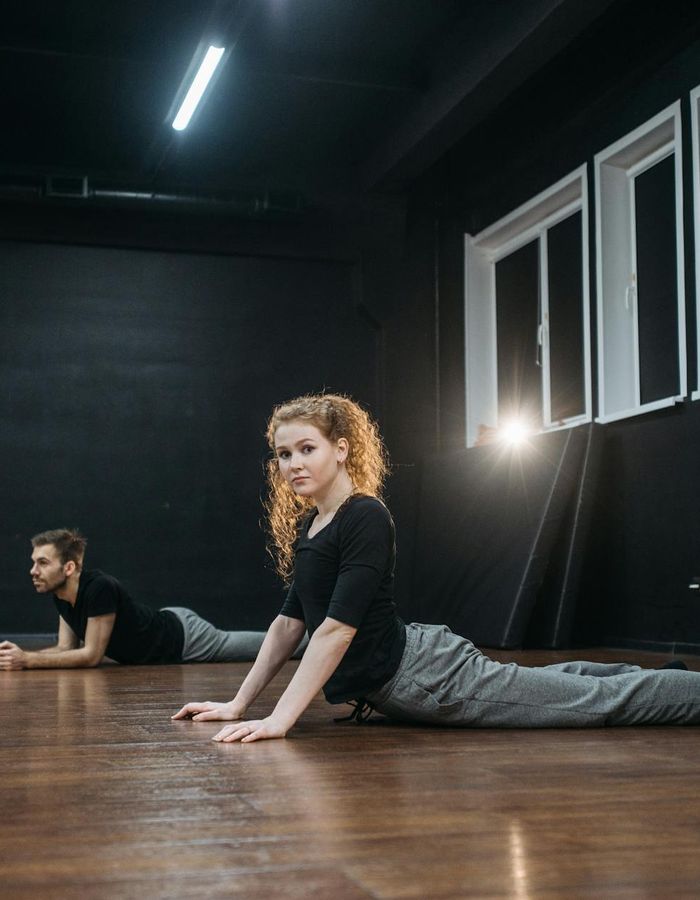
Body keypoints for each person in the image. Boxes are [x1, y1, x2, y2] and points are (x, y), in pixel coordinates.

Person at [172, 393, 699, 743]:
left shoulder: (365, 516)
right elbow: (289, 625)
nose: (294, 464)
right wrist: (239, 703)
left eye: (307, 449)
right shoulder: (313, 524)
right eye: (284, 454)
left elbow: (335, 631)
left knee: (593, 702)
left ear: (341, 449)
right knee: (564, 682)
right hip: (416, 666)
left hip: (429, 678)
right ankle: (673, 680)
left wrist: (279, 719)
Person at [0, 528, 305, 670]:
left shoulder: (99, 588)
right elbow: (66, 649)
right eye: (34, 562)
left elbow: (91, 656)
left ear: (69, 568)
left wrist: (28, 660)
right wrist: (17, 658)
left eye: (42, 563)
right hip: (165, 623)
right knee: (272, 647)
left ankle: (316, 642)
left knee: (274, 647)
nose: (33, 571)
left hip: (185, 639)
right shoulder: (62, 596)